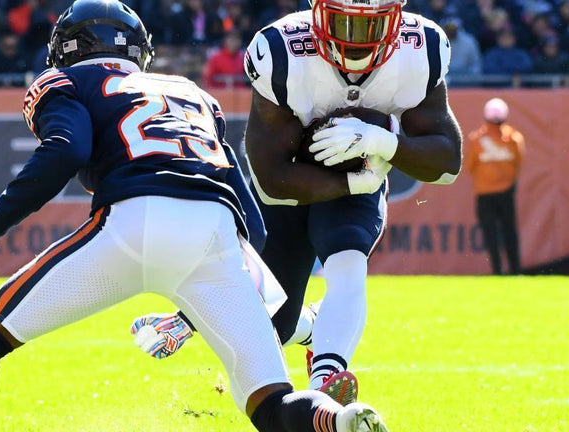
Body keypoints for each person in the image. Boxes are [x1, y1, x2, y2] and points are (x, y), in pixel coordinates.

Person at [0, 2, 388, 431]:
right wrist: (194, 313)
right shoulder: (191, 93)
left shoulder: (65, 81)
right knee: (270, 402)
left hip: (133, 218)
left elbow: (65, 150)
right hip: (217, 231)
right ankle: (339, 420)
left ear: (65, 48)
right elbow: (255, 226)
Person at [133, 0, 462, 409]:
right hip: (294, 180)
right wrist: (351, 178)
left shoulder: (420, 47)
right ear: (318, 12)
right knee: (275, 325)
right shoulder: (283, 51)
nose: (355, 40)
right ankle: (307, 327)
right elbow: (271, 179)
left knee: (348, 260)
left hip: (360, 178)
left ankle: (326, 377)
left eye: (371, 26)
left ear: (396, 18)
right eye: (342, 22)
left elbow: (447, 163)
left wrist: (382, 141)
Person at [465, 98, 523, 275]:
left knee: (491, 233)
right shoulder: (514, 138)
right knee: (509, 232)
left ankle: (497, 270)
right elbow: (518, 164)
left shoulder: (477, 139)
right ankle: (515, 270)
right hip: (506, 192)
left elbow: (470, 166)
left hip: (485, 193)